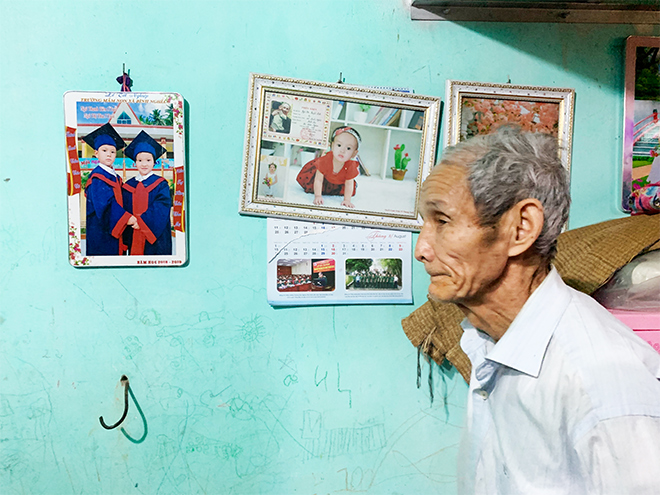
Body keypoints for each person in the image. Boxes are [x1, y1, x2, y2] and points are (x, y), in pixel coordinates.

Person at [414, 126, 660, 494]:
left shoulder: (599, 381)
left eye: (443, 222)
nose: (422, 249)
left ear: (520, 229)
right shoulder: (487, 342)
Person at [83, 123, 136, 255]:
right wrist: (126, 218)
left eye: (112, 151)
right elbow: (105, 206)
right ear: (96, 153)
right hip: (102, 231)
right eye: (104, 150)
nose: (109, 155)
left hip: (116, 230)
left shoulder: (116, 177)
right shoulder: (97, 177)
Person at [121, 131, 172, 256]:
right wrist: (131, 221)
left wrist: (141, 222)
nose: (144, 164)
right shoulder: (128, 185)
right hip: (133, 233)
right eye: (140, 160)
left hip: (155, 238)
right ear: (135, 163)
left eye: (148, 160)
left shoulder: (161, 184)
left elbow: (161, 208)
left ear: (154, 162)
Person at [296, 126, 360, 208]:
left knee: (350, 189)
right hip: (322, 181)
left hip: (339, 183)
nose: (342, 150)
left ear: (354, 153)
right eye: (339, 145)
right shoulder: (325, 160)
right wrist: (318, 196)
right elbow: (318, 180)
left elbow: (348, 184)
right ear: (332, 146)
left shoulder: (350, 165)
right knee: (311, 184)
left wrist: (347, 200)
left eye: (348, 148)